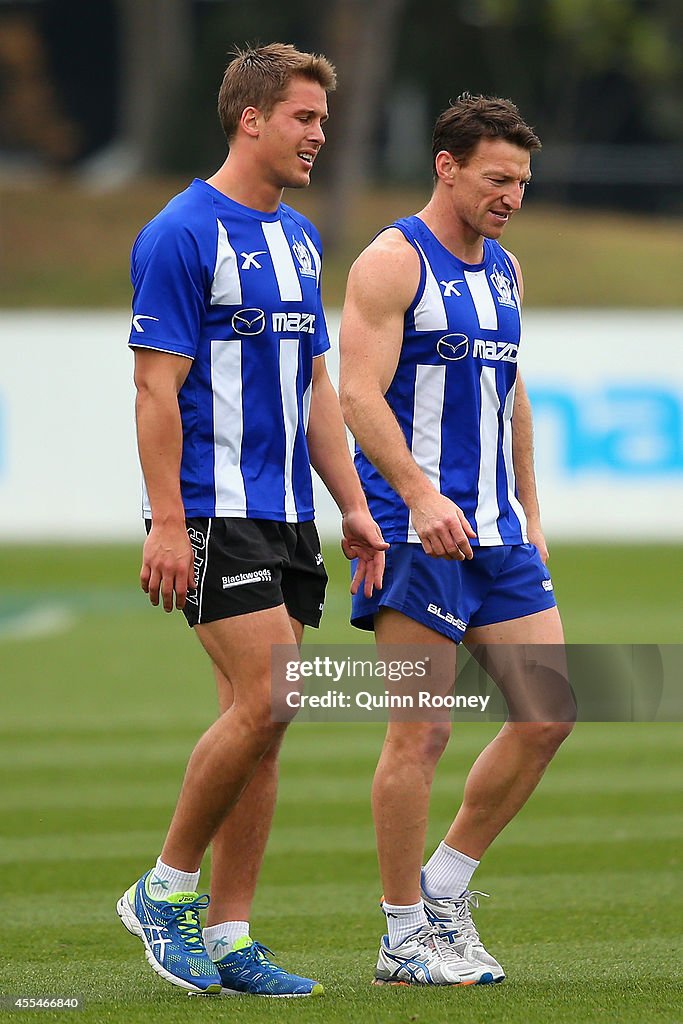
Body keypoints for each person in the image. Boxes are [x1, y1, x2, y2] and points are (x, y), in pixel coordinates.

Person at [117, 43, 386, 998]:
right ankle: (165, 891)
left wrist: (351, 503)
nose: (319, 133)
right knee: (270, 697)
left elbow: (314, 384)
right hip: (209, 507)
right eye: (305, 118)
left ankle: (230, 937)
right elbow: (156, 390)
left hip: (285, 517)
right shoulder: (181, 233)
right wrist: (163, 523)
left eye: (322, 118)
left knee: (265, 722)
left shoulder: (304, 240)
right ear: (251, 119)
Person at [339, 93, 575, 987]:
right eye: (496, 178)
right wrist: (417, 494)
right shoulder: (392, 263)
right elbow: (357, 395)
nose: (511, 195)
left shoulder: (507, 271)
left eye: (520, 181)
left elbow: (510, 393)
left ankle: (445, 889)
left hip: (497, 536)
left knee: (549, 712)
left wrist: (529, 509)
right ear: (446, 166)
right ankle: (402, 939)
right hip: (412, 535)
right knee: (422, 731)